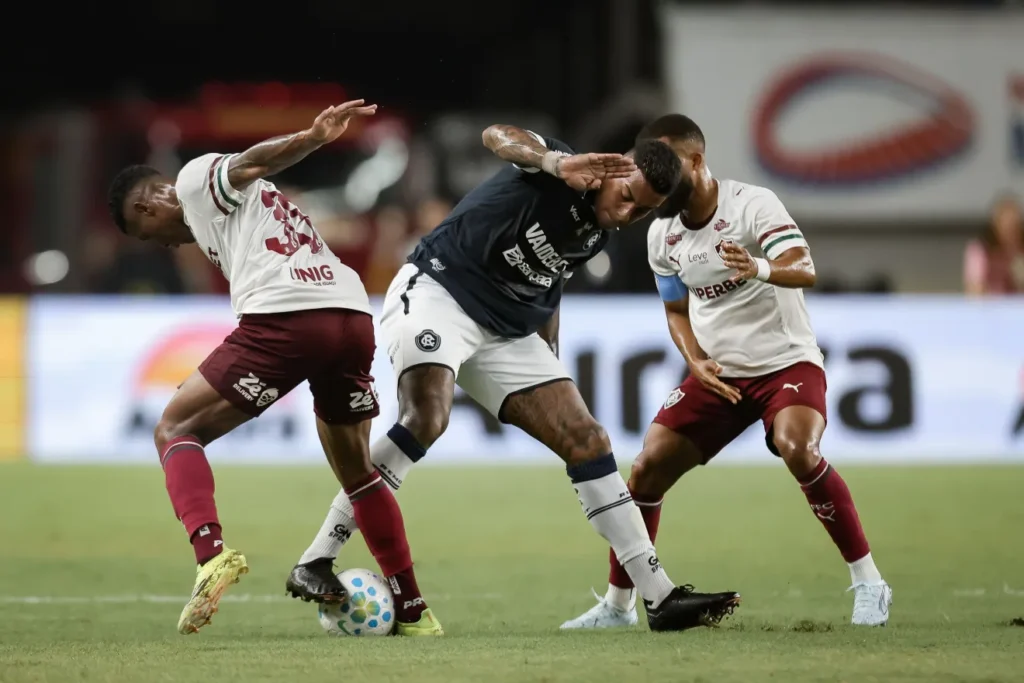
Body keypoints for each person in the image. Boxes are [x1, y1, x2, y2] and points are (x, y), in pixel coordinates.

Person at [289, 124, 741, 632]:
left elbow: (551, 284)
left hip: (505, 332)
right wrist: (553, 163)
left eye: (641, 211)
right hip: (439, 293)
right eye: (627, 197)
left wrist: (550, 359)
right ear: (617, 165)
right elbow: (495, 136)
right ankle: (317, 556)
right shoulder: (559, 166)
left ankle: (659, 598)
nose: (626, 214)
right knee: (426, 418)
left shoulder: (598, 231)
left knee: (588, 440)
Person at [106, 100, 442, 636]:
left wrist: (312, 137)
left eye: (149, 233)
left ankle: (211, 555)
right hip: (351, 315)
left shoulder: (193, 182)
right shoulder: (221, 218)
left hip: (287, 317)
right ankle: (415, 613)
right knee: (358, 474)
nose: (165, 243)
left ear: (147, 205)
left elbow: (252, 161)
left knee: (174, 428)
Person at [560, 114, 891, 630]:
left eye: (666, 161)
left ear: (695, 160)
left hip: (785, 363)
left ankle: (869, 582)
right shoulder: (661, 234)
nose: (656, 172)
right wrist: (694, 358)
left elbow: (804, 267)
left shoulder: (752, 205)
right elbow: (676, 310)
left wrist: (757, 266)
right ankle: (619, 606)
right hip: (719, 376)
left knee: (799, 449)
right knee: (646, 469)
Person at [963, 193, 1024, 295]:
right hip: (991, 303)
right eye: (1006, 225)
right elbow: (974, 290)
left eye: (1014, 226)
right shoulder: (980, 249)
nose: (1009, 231)